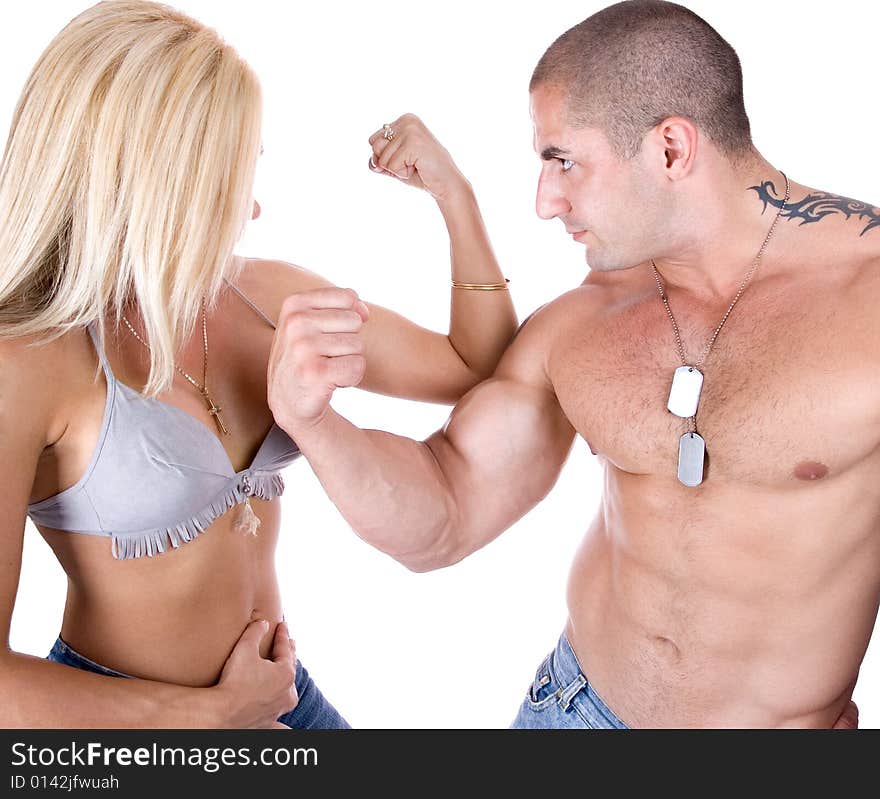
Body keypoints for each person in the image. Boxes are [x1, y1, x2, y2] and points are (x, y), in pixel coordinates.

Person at [266, 0, 876, 728]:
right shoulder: (585, 322)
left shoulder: (862, 301)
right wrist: (313, 421)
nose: (544, 201)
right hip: (573, 713)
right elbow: (446, 513)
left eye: (562, 160)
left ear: (671, 149)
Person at [0, 0, 516, 728]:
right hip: (126, 722)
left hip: (285, 703)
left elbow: (476, 365)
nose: (252, 210)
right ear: (156, 183)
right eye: (227, 181)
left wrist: (454, 197)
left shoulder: (261, 295)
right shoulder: (25, 361)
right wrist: (210, 717)